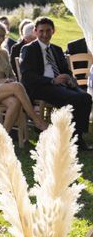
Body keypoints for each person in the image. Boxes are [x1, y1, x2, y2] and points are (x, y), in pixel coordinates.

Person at [20, 17, 92, 151]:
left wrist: (69, 78)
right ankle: (73, 139)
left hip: (61, 84)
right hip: (41, 86)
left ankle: (77, 135)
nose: (45, 34)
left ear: (53, 31)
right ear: (35, 31)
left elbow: (65, 70)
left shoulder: (57, 49)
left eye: (48, 31)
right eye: (41, 31)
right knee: (75, 98)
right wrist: (52, 80)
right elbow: (27, 75)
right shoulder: (29, 49)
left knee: (86, 97)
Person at [0, 21, 48, 135]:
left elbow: (11, 75)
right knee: (17, 86)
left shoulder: (3, 53)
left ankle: (2, 139)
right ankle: (36, 120)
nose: (0, 39)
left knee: (14, 102)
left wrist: (9, 81)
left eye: (3, 36)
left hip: (1, 91)